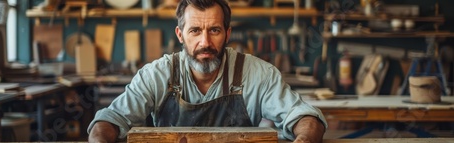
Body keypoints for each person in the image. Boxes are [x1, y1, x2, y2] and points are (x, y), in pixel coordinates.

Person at [88, 0, 327, 142]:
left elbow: (304, 116)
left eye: (214, 30)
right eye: (195, 31)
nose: (205, 42)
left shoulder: (257, 74)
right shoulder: (156, 75)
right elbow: (110, 120)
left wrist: (304, 138)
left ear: (227, 33)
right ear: (180, 35)